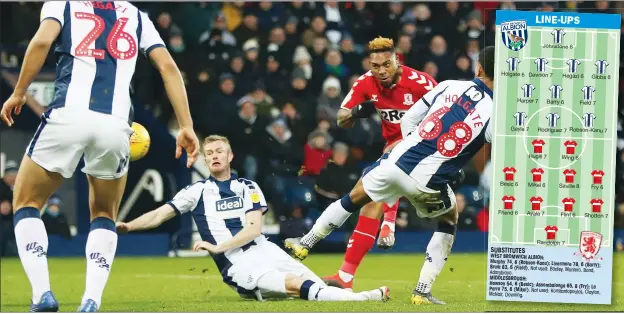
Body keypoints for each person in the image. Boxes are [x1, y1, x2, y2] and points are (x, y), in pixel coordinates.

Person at [0, 2, 200, 312]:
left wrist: (19, 92)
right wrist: (186, 125)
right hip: (116, 125)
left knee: (26, 202)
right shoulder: (135, 15)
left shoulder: (62, 4)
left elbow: (41, 41)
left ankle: (42, 295)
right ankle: (91, 300)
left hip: (68, 116)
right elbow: (168, 67)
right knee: (105, 213)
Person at [286, 46, 496, 305]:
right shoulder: (496, 112)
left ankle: (305, 242)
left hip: (396, 160)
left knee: (354, 197)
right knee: (449, 221)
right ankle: (421, 291)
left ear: (479, 68)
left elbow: (409, 120)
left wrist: (410, 146)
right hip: (428, 179)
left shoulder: (449, 85)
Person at [116, 135, 390, 303]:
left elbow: (253, 228)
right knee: (297, 286)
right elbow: (161, 213)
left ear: (230, 156)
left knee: (314, 285)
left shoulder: (247, 187)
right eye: (209, 153)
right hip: (238, 264)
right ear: (204, 159)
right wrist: (129, 225)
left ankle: (351, 295)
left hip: (264, 249)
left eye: (219, 151)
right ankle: (365, 298)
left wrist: (215, 246)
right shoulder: (196, 191)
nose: (213, 156)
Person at [304, 36, 438, 290]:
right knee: (368, 201)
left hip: (427, 147)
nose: (382, 71)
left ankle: (388, 223)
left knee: (379, 173)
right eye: (376, 66)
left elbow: (447, 112)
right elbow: (341, 118)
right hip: (394, 150)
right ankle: (345, 275)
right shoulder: (366, 83)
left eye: (387, 64)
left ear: (396, 59)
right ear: (369, 64)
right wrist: (356, 112)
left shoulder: (421, 83)